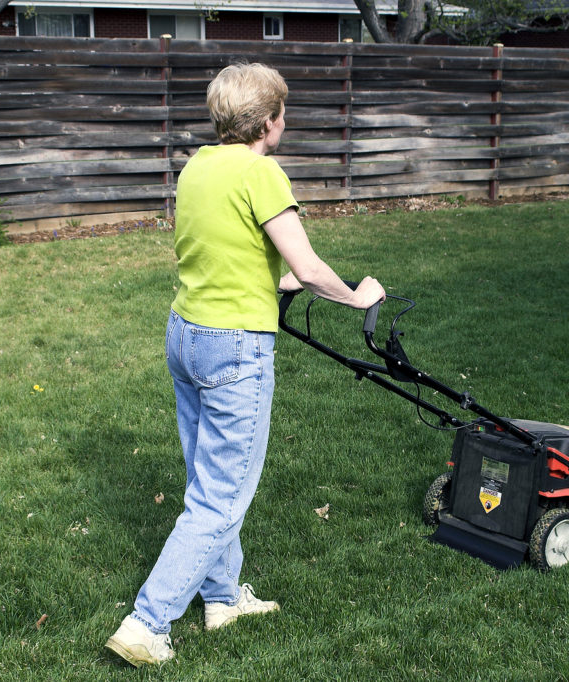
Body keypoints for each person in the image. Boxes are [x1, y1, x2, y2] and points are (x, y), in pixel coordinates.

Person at [104, 62, 385, 667]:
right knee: (221, 496)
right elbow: (308, 270)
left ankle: (223, 598)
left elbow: (223, 250)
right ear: (266, 123)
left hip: (186, 334)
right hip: (234, 346)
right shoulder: (262, 172)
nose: (285, 123)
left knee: (208, 480)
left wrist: (270, 283)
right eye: (283, 114)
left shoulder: (199, 166)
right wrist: (358, 296)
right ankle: (148, 621)